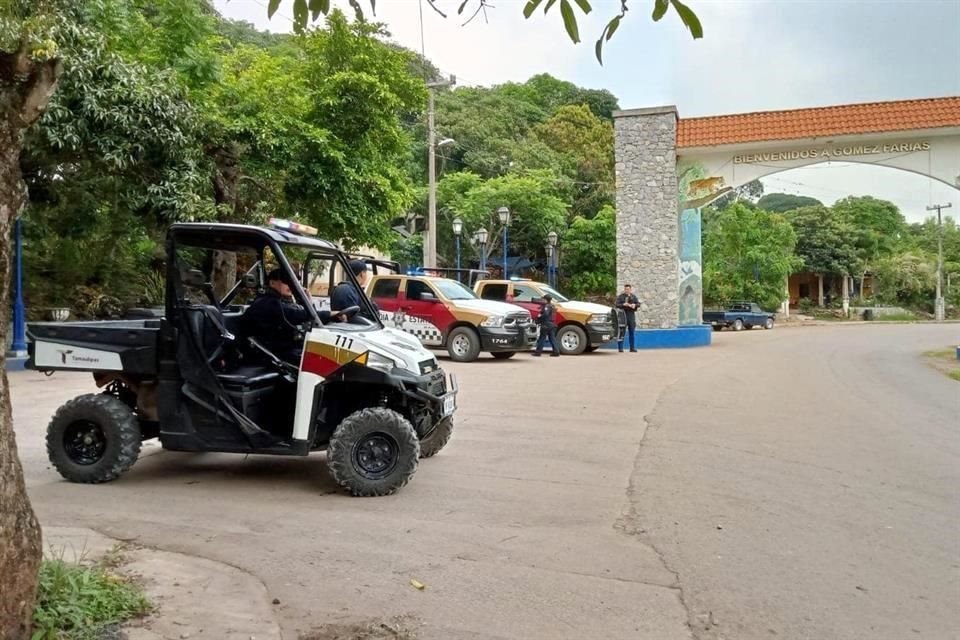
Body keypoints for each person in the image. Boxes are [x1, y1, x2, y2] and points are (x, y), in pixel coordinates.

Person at [240, 268, 314, 364]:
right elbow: (296, 315)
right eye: (286, 282)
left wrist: (309, 303)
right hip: (265, 356)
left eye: (293, 282)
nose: (291, 285)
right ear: (272, 283)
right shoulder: (266, 302)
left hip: (279, 351)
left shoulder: (283, 302)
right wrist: (329, 314)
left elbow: (304, 317)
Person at [330, 259, 379, 324]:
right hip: (354, 328)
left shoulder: (338, 288)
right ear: (362, 274)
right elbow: (353, 317)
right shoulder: (354, 291)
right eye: (366, 273)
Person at [616, 284, 640, 353]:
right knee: (621, 332)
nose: (627, 290)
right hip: (623, 316)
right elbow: (617, 304)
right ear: (624, 290)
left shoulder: (633, 296)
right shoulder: (621, 296)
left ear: (630, 290)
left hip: (631, 316)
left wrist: (634, 305)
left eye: (628, 289)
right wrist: (623, 304)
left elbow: (638, 304)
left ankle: (632, 348)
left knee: (632, 332)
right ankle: (620, 348)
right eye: (626, 289)